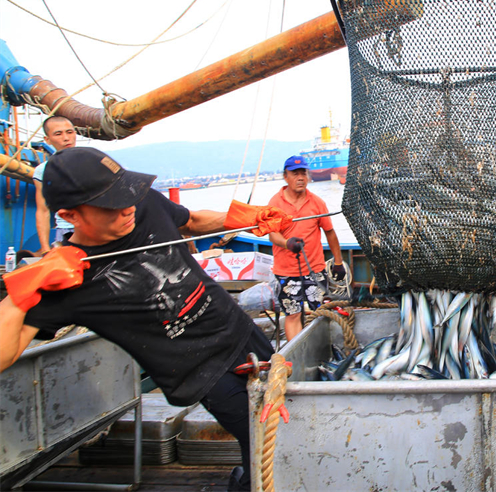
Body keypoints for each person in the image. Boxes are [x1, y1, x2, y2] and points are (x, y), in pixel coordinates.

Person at [0, 147, 291, 491]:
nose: (127, 208)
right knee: (272, 441)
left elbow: (192, 221)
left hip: (239, 331)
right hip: (202, 372)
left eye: (127, 193)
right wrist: (20, 294)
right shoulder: (64, 278)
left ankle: (244, 478)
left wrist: (245, 217)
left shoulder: (142, 204)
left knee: (284, 422)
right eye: (111, 204)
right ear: (71, 215)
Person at [268, 155, 346, 341]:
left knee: (319, 312)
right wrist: (287, 243)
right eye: (295, 174)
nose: (300, 177)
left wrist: (338, 262)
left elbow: (330, 232)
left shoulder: (317, 202)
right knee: (293, 314)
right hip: (287, 271)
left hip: (315, 269)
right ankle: (296, 356)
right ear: (285, 176)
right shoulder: (274, 203)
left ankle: (319, 352)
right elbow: (272, 234)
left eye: (303, 173)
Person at [32, 116, 77, 254]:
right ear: (47, 140)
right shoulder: (43, 170)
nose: (66, 138)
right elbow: (43, 210)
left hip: (96, 230)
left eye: (70, 132)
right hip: (66, 231)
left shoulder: (94, 162)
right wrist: (45, 249)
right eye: (58, 134)